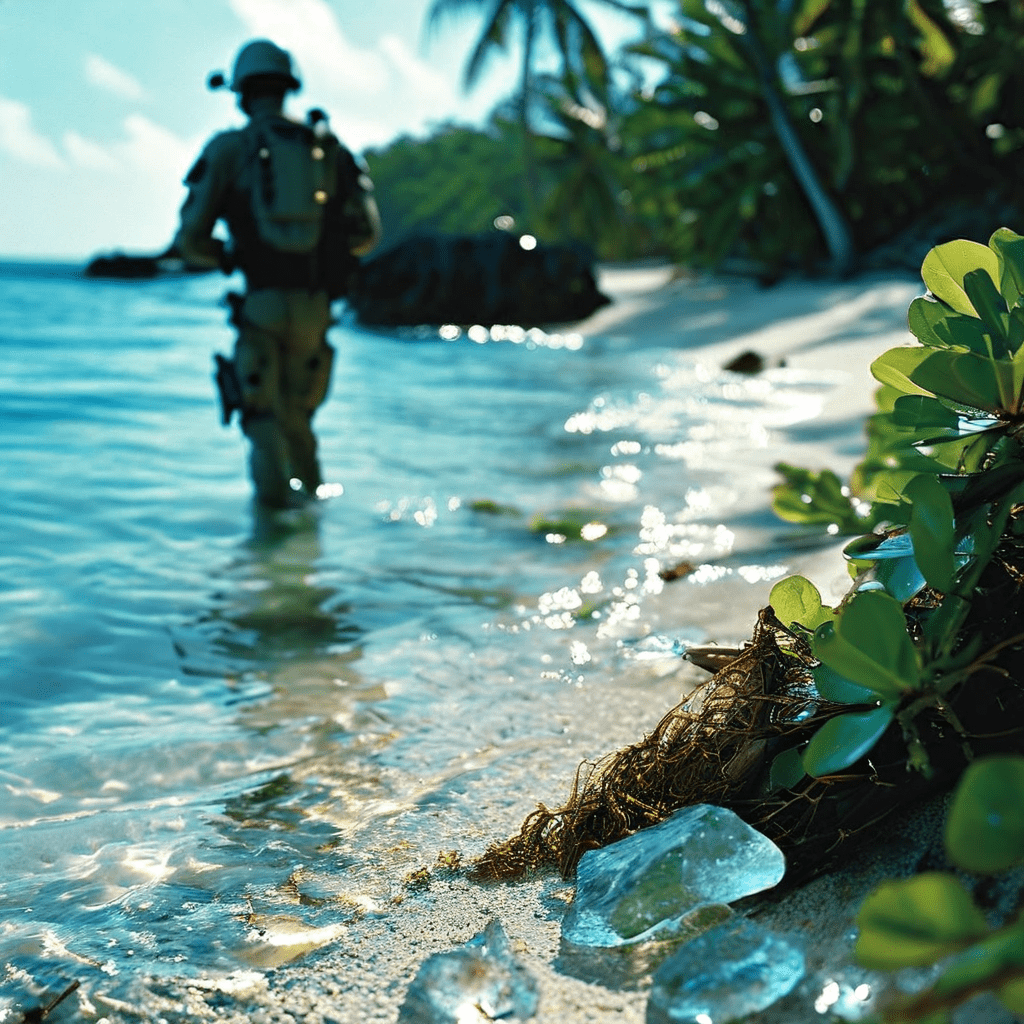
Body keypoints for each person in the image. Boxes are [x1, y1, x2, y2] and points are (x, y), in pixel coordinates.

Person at [175, 39, 381, 508]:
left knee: (262, 419)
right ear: (288, 87)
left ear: (241, 92)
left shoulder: (231, 148)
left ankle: (273, 545)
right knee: (300, 421)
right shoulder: (328, 149)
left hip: (262, 304)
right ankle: (312, 528)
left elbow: (190, 241)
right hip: (316, 308)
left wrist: (227, 257)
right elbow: (366, 234)